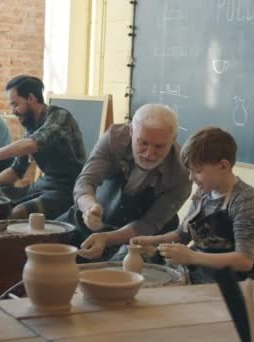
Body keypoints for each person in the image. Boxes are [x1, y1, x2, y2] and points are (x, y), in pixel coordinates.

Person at [132, 127, 254, 284]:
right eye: (189, 171)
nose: (191, 177)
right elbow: (182, 234)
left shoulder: (245, 201)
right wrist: (151, 241)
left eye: (197, 171)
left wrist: (192, 257)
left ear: (223, 166)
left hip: (230, 289)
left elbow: (244, 260)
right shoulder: (203, 194)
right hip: (194, 278)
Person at [58, 104, 192, 262]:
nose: (149, 153)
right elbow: (85, 182)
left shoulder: (182, 172)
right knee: (43, 241)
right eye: (143, 143)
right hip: (98, 215)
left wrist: (106, 238)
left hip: (142, 234)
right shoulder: (114, 139)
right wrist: (89, 208)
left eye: (159, 146)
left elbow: (148, 224)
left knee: (118, 270)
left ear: (173, 140)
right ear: (131, 132)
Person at [0, 75, 87, 219]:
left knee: (19, 212)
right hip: (46, 185)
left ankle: (12, 240)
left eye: (15, 104)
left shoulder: (60, 117)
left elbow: (33, 143)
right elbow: (17, 170)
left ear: (31, 98)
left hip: (70, 189)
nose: (13, 111)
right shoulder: (31, 127)